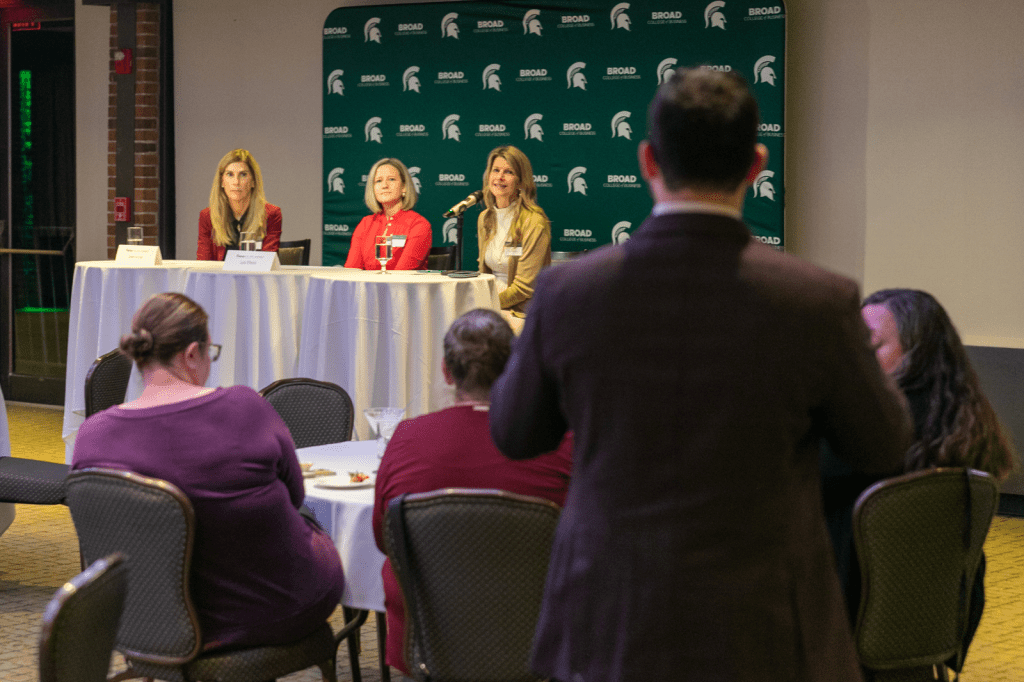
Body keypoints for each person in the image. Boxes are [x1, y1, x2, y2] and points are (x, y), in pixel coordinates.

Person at [488, 68, 913, 682]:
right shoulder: (818, 301)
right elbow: (884, 445)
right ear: (756, 164)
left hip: (608, 620)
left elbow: (514, 433)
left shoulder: (568, 293)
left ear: (648, 160)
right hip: (766, 627)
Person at [72, 293, 343, 651]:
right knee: (317, 518)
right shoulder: (244, 407)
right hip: (266, 610)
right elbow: (295, 497)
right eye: (209, 354)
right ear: (191, 353)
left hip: (148, 622)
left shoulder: (93, 434)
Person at [372, 308, 572, 675]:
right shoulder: (562, 444)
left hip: (427, 646)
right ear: (515, 368)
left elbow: (384, 540)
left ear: (448, 372)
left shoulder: (406, 439)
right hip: (541, 643)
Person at [859, 288, 1014, 671]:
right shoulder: (970, 426)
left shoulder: (872, 435)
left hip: (853, 627)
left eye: (872, 346)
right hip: (934, 627)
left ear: (917, 353)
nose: (857, 359)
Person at [477, 146, 551, 330]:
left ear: (520, 182)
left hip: (522, 312)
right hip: (494, 308)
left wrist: (486, 303)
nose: (500, 177)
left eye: (508, 172)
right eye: (496, 170)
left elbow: (525, 288)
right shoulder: (485, 218)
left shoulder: (534, 221)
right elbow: (484, 273)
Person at [345, 158, 431, 270]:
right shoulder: (365, 223)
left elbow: (402, 274)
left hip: (402, 287)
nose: (384, 185)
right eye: (378, 181)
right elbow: (351, 269)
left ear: (404, 187)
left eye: (391, 179)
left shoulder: (419, 224)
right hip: (366, 287)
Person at [197, 148, 282, 260]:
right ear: (222, 182)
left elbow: (267, 262)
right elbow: (204, 265)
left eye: (243, 175)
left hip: (255, 277)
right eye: (230, 174)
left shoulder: (271, 214)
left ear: (253, 181)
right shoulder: (207, 217)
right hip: (220, 278)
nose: (236, 182)